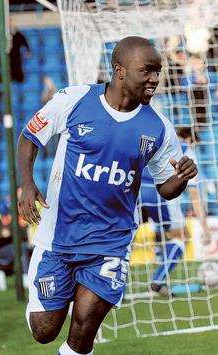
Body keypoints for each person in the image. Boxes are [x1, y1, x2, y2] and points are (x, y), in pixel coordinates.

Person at [17, 36, 197, 355]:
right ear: (120, 71)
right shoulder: (75, 100)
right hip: (59, 237)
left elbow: (166, 189)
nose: (155, 78)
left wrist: (180, 178)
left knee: (85, 324)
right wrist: (28, 184)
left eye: (158, 71)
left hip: (110, 242)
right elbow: (30, 136)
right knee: (44, 330)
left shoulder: (158, 128)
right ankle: (64, 289)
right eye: (147, 71)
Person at [140, 127, 210, 296]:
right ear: (191, 140)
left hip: (137, 191)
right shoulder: (186, 151)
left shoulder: (160, 140)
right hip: (160, 194)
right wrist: (205, 228)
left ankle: (117, 289)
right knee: (182, 236)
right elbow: (194, 195)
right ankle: (158, 280)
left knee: (126, 236)